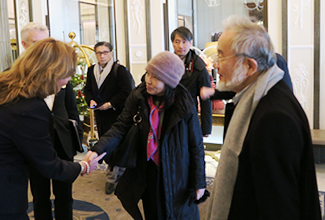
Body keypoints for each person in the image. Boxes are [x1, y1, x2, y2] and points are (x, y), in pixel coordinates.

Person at [204, 16, 321, 219]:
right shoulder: (263, 96)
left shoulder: (273, 117)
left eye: (221, 57)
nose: (215, 65)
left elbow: (279, 207)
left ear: (249, 66)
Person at [85, 51, 206, 219]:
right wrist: (98, 149)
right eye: (148, 73)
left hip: (177, 170)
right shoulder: (138, 96)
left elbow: (196, 144)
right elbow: (120, 127)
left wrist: (199, 180)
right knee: (153, 211)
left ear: (169, 82)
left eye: (155, 77)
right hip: (148, 170)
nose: (148, 80)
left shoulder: (183, 103)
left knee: (178, 213)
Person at [0, 38, 104, 220]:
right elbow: (49, 166)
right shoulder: (29, 107)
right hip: (4, 195)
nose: (68, 80)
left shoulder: (4, 87)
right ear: (51, 72)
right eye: (67, 74)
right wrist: (83, 166)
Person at [21, 22, 84, 220]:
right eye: (37, 43)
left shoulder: (61, 70)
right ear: (24, 45)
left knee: (65, 195)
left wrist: (76, 138)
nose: (44, 48)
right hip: (35, 144)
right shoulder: (18, 76)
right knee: (40, 196)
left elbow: (71, 109)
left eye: (48, 42)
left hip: (63, 142)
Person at [83, 41, 135, 194]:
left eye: (105, 52)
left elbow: (127, 92)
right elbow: (88, 89)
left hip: (117, 114)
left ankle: (114, 173)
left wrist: (110, 104)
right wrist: (90, 100)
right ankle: (113, 168)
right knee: (104, 140)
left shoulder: (119, 70)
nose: (102, 55)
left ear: (112, 53)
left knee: (117, 143)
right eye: (99, 53)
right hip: (100, 113)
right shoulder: (92, 69)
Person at [171, 26, 212, 136]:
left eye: (184, 42)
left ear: (191, 43)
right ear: (172, 43)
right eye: (177, 42)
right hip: (167, 114)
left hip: (188, 115)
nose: (181, 46)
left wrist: (206, 128)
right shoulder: (166, 62)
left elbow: (205, 99)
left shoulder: (199, 67)